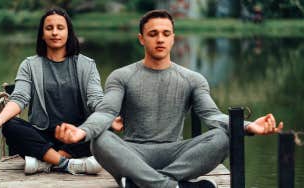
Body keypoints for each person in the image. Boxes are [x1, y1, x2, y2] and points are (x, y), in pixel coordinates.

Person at [53, 10, 284, 188]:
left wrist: (249, 127)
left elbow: (212, 116)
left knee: (223, 136)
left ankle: (142, 184)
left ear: (174, 38)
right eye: (153, 34)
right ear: (141, 39)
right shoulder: (122, 76)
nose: (160, 39)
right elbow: (105, 113)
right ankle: (173, 185)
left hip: (176, 154)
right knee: (100, 139)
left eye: (166, 34)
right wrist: (82, 132)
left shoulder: (192, 79)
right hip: (133, 155)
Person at [0, 7, 120, 175]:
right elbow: (20, 97)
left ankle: (47, 162)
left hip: (77, 135)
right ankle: (66, 163)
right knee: (10, 126)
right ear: (42, 35)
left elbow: (95, 99)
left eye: (60, 28)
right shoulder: (29, 65)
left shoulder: (87, 65)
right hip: (41, 136)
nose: (54, 33)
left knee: (103, 126)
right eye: (49, 28)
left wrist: (110, 115)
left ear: (69, 32)